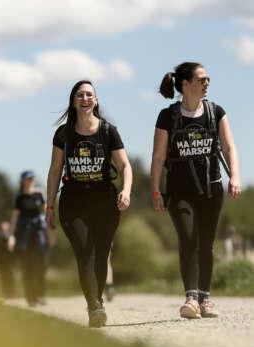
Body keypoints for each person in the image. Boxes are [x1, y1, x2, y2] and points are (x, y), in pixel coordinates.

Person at [151, 61, 241, 319]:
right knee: (188, 239)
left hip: (211, 189)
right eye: (202, 79)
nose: (207, 83)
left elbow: (229, 147)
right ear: (186, 84)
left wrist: (234, 176)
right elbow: (158, 157)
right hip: (179, 191)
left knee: (206, 244)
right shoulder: (167, 117)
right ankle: (191, 298)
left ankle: (206, 299)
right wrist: (156, 189)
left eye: (208, 79)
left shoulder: (216, 112)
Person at [45, 80, 132, 327]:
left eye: (89, 95)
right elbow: (54, 171)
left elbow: (125, 165)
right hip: (73, 201)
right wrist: (49, 206)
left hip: (105, 200)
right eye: (80, 95)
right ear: (73, 101)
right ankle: (94, 306)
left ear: (95, 100)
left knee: (101, 254)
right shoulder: (63, 134)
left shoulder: (108, 131)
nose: (85, 98)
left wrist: (125, 191)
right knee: (85, 252)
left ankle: (98, 299)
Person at [8, 171, 49, 307]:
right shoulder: (19, 197)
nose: (31, 180)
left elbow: (47, 212)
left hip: (39, 233)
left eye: (32, 178)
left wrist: (51, 232)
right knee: (27, 266)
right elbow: (14, 219)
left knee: (40, 265)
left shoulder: (39, 194)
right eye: (28, 178)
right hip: (24, 234)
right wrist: (11, 236)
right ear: (23, 181)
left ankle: (40, 294)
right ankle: (30, 296)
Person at [0, 220, 16, 298]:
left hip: (9, 260)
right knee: (3, 276)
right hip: (1, 260)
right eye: (3, 225)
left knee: (10, 276)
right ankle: (6, 292)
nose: (4, 227)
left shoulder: (11, 236)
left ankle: (11, 292)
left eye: (6, 226)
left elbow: (11, 248)